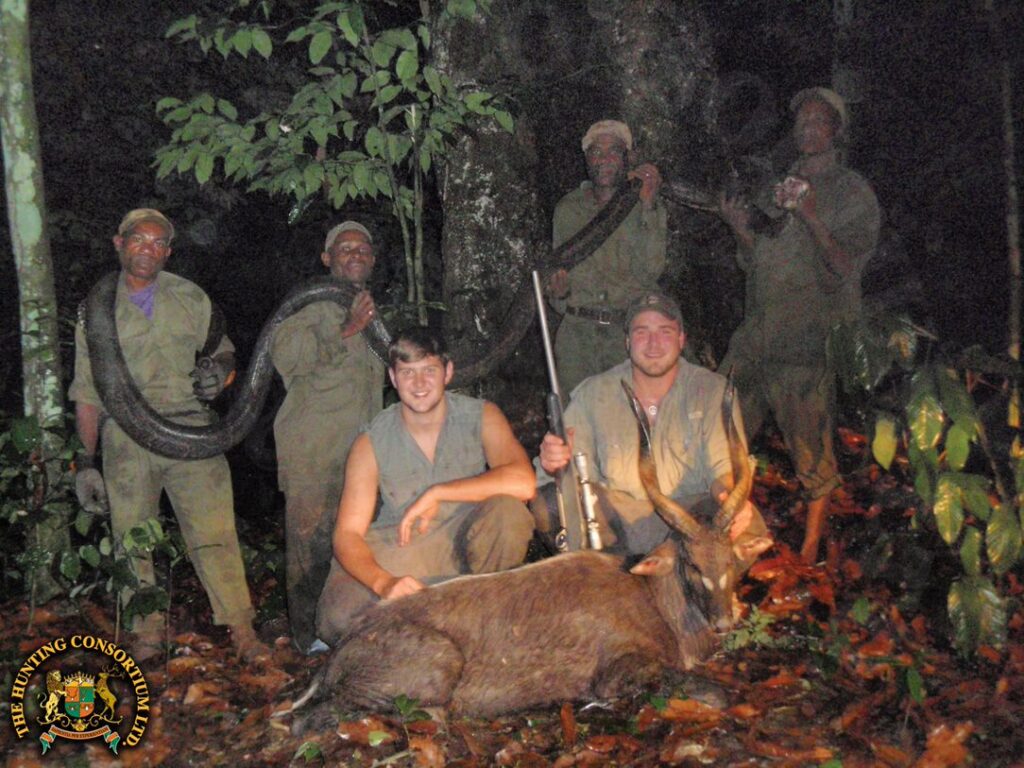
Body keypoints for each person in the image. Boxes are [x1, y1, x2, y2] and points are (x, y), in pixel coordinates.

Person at [70, 208, 268, 661]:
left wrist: (220, 375)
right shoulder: (96, 309)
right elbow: (86, 391)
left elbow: (225, 355)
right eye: (140, 239)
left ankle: (242, 629)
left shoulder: (190, 296)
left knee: (215, 530)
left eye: (159, 243)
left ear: (169, 252)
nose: (149, 249)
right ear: (119, 244)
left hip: (191, 427)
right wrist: (85, 462)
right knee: (131, 535)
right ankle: (145, 632)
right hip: (125, 431)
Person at [719, 87, 881, 564]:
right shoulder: (776, 186)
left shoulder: (852, 192)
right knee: (720, 433)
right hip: (755, 337)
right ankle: (731, 535)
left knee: (810, 449)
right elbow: (756, 261)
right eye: (801, 122)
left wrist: (810, 215)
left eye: (819, 121)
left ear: (836, 130)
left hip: (807, 341)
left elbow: (845, 267)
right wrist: (737, 228)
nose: (807, 129)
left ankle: (809, 554)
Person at [314, 327, 536, 644]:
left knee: (508, 513)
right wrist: (384, 584)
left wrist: (440, 492)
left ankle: (487, 625)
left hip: (470, 546)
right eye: (408, 373)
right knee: (337, 615)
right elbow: (347, 533)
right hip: (406, 547)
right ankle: (437, 629)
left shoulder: (481, 415)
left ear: (448, 372)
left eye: (429, 370)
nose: (419, 384)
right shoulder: (370, 441)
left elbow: (524, 482)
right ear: (392, 377)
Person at [537, 292, 772, 564]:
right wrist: (553, 462)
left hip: (688, 523)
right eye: (641, 332)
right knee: (550, 505)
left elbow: (724, 470)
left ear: (682, 339)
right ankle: (611, 577)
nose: (653, 344)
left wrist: (730, 498)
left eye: (665, 331)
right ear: (627, 342)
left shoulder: (711, 390)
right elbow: (567, 474)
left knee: (748, 525)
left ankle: (690, 590)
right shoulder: (594, 392)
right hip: (622, 523)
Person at [269, 220, 385, 654]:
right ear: (327, 259)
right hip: (313, 452)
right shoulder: (309, 307)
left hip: (363, 454)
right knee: (310, 547)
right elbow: (285, 358)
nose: (354, 255)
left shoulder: (373, 309)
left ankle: (347, 634)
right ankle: (307, 642)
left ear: (372, 260)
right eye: (344, 248)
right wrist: (347, 329)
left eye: (363, 249)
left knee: (356, 546)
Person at [548, 119, 668, 394]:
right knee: (577, 427)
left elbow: (651, 272)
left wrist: (648, 205)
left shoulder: (644, 205)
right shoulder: (567, 209)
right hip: (577, 338)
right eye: (596, 151)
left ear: (628, 158)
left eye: (613, 151)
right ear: (586, 158)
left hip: (626, 335)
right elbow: (557, 298)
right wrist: (559, 292)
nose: (604, 159)